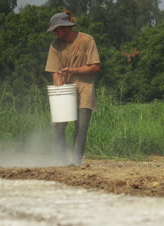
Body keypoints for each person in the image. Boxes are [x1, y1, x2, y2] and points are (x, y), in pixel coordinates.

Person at [45, 11, 101, 166]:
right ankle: (60, 160)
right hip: (65, 91)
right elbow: (55, 71)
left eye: (57, 29)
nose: (55, 33)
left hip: (84, 89)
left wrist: (73, 70)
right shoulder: (55, 46)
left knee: (80, 129)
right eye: (54, 30)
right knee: (57, 125)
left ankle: (75, 163)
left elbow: (95, 66)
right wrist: (59, 89)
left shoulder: (87, 40)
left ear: (66, 27)